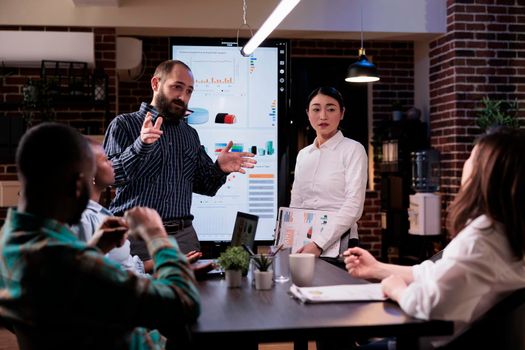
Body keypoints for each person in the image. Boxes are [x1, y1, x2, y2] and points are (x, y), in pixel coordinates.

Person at [0, 123, 200, 349]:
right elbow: (183, 306)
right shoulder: (71, 264)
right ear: (78, 185)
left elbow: (69, 291)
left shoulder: (11, 237)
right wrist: (156, 235)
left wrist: (95, 249)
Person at [344, 127, 525, 344]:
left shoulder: (482, 240)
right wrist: (377, 269)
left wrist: (397, 289)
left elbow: (429, 303)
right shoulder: (507, 232)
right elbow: (437, 272)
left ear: (486, 173)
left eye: (471, 157)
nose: (465, 164)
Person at [103, 59, 256, 259]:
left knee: (188, 291)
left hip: (183, 238)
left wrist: (219, 168)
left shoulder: (189, 134)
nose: (183, 97)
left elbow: (206, 186)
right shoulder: (124, 125)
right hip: (135, 237)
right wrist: (141, 145)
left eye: (189, 91)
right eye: (177, 87)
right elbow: (110, 177)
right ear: (155, 84)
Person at [290, 86, 368, 258]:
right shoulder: (303, 155)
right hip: (303, 243)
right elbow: (296, 203)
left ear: (342, 113)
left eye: (331, 109)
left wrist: (319, 244)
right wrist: (288, 237)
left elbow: (354, 206)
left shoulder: (353, 149)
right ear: (308, 113)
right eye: (316, 109)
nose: (323, 116)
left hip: (340, 244)